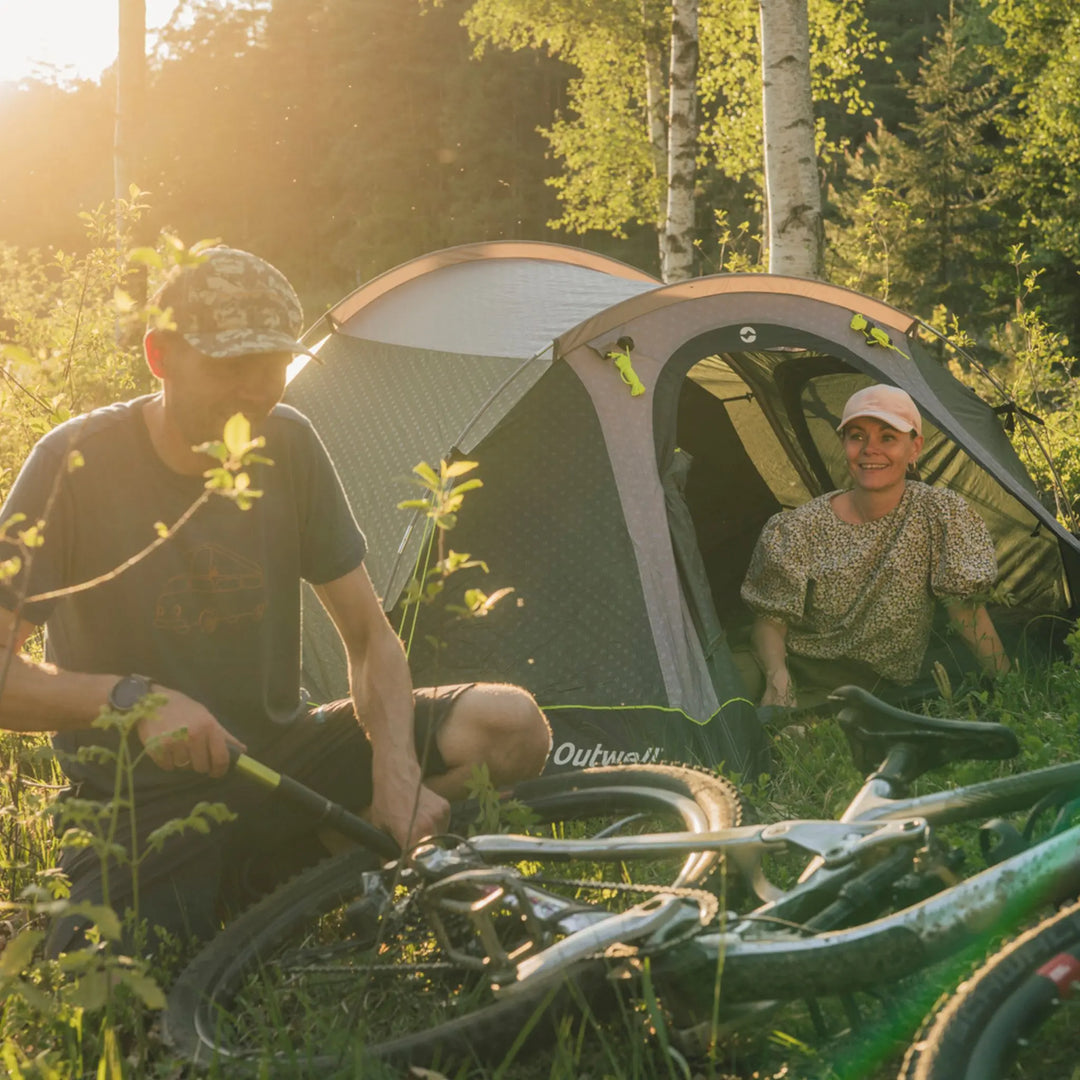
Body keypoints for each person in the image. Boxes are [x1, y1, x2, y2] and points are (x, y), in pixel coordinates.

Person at [0, 246, 551, 954]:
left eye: (274, 364)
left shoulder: (288, 443)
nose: (257, 389)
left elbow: (369, 638)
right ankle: (269, 881)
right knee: (113, 978)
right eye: (231, 364)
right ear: (159, 355)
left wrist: (395, 767)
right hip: (137, 800)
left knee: (509, 727)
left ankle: (300, 864)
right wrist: (131, 700)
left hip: (281, 758)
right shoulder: (72, 464)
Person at [740, 383, 1011, 711]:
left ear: (914, 448)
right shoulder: (800, 526)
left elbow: (966, 611)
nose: (870, 449)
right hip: (786, 662)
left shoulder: (939, 514)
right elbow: (770, 620)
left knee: (803, 733)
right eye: (857, 436)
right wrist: (777, 677)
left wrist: (1011, 689)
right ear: (844, 444)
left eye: (888, 437)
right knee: (716, 700)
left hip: (867, 684)